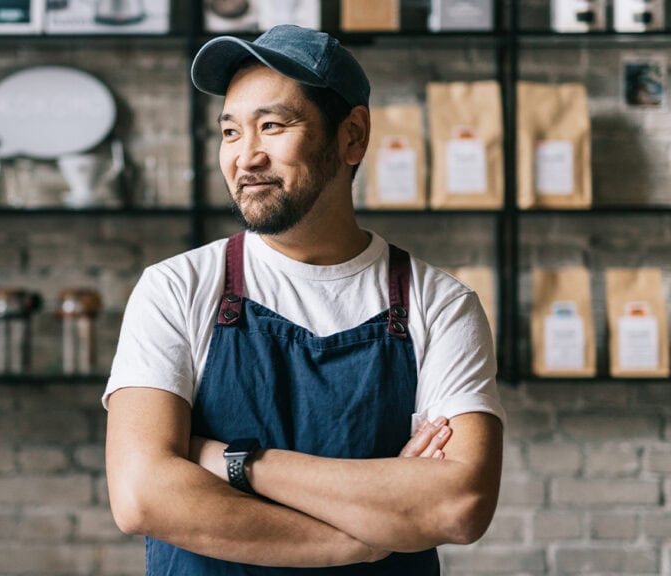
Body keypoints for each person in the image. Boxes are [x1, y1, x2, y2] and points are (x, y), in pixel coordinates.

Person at [104, 24, 506, 574]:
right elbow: (141, 495)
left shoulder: (440, 305)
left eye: (272, 126)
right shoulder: (176, 289)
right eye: (230, 132)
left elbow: (459, 505)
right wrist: (361, 541)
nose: (246, 158)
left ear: (352, 136)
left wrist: (236, 462)